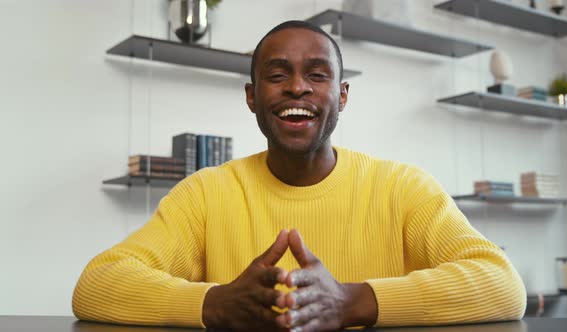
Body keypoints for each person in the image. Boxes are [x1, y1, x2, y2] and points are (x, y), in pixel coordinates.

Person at [73, 20, 526, 331]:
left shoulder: (404, 188)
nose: (297, 87)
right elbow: (97, 284)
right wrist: (214, 305)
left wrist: (350, 302)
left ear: (342, 96)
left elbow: (502, 284)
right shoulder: (205, 193)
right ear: (252, 97)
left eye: (317, 74)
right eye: (277, 74)